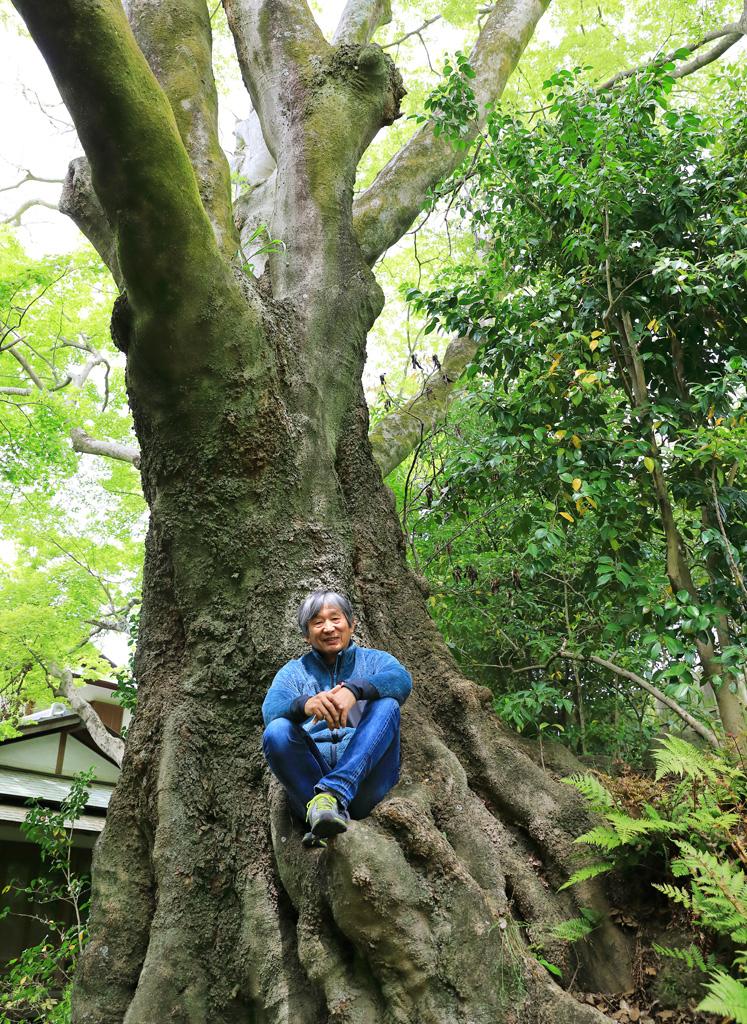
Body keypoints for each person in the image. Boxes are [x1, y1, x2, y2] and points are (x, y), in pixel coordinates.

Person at [262, 590, 412, 847]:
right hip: (309, 791)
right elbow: (271, 709)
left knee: (387, 705)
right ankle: (325, 808)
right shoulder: (294, 672)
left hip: (367, 782)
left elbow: (401, 681)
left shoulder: (374, 660)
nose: (328, 628)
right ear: (307, 635)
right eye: (318, 623)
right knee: (276, 730)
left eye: (335, 619)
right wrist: (306, 704)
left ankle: (333, 794)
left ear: (351, 625)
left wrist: (355, 690)